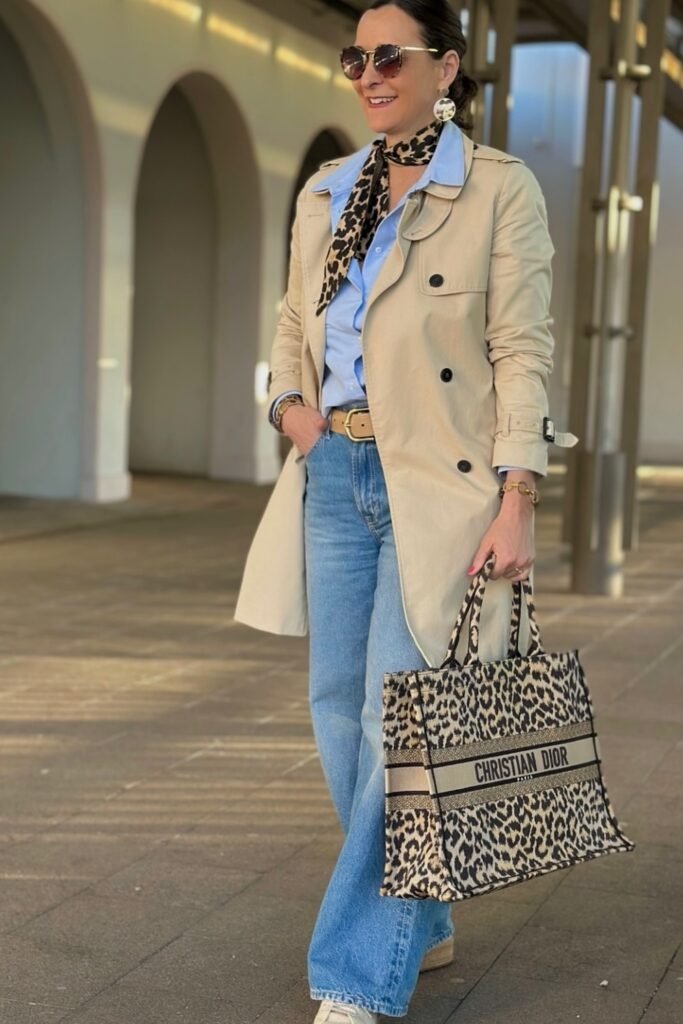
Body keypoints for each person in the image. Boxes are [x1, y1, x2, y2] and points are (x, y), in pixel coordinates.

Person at [234, 1, 576, 1020]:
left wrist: (518, 495)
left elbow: (521, 346)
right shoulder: (326, 190)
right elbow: (293, 321)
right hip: (332, 472)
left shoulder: (495, 189)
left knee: (400, 726)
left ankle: (354, 977)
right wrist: (289, 411)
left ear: (446, 66)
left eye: (390, 55)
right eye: (356, 57)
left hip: (436, 480)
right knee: (336, 709)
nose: (369, 73)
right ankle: (418, 919)